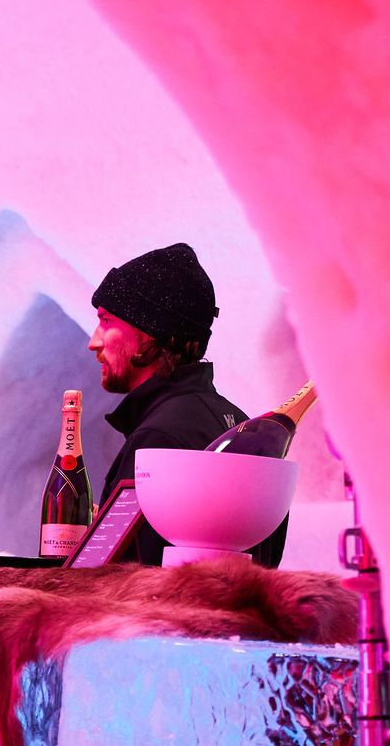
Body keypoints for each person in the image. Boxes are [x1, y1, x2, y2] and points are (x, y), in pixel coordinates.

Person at [87, 242, 286, 567]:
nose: (93, 341)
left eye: (106, 321)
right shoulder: (240, 423)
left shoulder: (158, 439)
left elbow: (126, 584)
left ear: (149, 333)